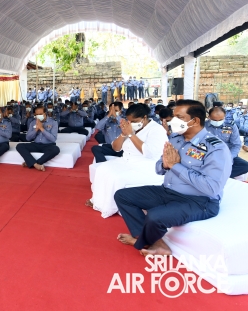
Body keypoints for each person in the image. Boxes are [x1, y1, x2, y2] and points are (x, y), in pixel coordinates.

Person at [114, 100, 232, 256]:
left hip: (200, 201)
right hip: (168, 191)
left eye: (179, 117)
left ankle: (143, 241)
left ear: (195, 120)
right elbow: (158, 167)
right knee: (123, 196)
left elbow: (212, 188)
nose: (173, 121)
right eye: (173, 116)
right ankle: (153, 241)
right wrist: (165, 165)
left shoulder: (216, 148)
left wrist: (175, 166)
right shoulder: (176, 139)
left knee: (155, 216)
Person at [86, 104, 168, 218]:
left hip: (146, 165)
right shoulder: (131, 127)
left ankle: (111, 207)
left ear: (144, 117)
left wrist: (131, 134)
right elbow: (116, 148)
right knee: (101, 169)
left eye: (134, 121)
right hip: (126, 160)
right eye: (129, 121)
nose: (131, 123)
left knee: (115, 177)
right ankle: (98, 201)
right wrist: (124, 134)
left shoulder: (156, 129)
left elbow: (149, 153)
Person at [206, 107, 248, 179]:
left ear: (224, 116)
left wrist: (229, 158)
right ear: (209, 117)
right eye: (214, 120)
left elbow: (236, 145)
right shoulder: (202, 126)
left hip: (227, 155)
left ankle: (218, 176)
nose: (217, 122)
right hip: (209, 155)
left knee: (245, 166)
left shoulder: (230, 126)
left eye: (220, 120)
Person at [16, 105, 60, 171]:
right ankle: (35, 165)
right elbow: (28, 138)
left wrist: (42, 129)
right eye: (37, 114)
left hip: (48, 145)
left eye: (40, 114)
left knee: (56, 149)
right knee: (19, 146)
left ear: (45, 113)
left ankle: (33, 163)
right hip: (36, 144)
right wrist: (36, 129)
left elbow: (53, 139)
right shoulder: (33, 122)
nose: (39, 116)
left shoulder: (53, 122)